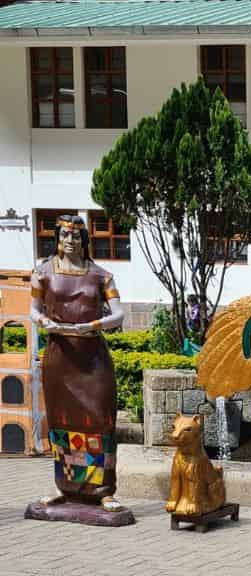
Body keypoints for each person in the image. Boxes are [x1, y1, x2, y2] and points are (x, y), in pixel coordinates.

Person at [29, 215, 129, 516]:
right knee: (62, 422)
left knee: (99, 421)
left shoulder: (101, 276)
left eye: (76, 237)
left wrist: (92, 325)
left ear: (85, 242)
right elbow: (33, 311)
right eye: (65, 236)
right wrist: (46, 322)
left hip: (93, 357)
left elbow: (119, 314)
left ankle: (104, 490)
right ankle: (65, 486)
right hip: (60, 357)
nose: (70, 241)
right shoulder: (42, 273)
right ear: (57, 239)